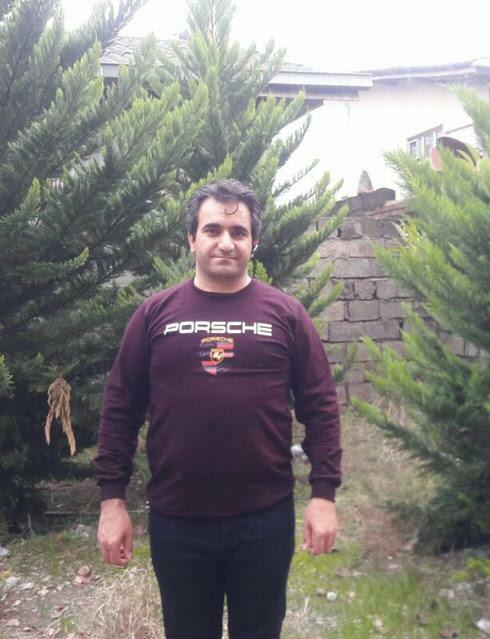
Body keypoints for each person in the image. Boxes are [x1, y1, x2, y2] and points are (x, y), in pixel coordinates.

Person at [94, 179, 341, 639]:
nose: (226, 242)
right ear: (192, 239)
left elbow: (321, 406)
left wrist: (323, 496)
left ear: (253, 242)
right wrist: (112, 503)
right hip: (178, 520)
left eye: (238, 232)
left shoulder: (286, 314)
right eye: (212, 230)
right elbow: (120, 408)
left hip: (264, 519)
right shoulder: (154, 315)